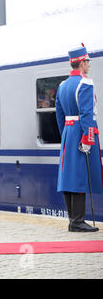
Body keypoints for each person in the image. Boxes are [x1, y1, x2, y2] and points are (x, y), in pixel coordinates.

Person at [55, 44, 101, 232]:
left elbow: (59, 114)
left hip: (68, 132)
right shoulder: (85, 83)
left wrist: (65, 134)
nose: (89, 65)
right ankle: (78, 221)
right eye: (87, 62)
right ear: (82, 63)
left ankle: (73, 220)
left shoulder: (62, 85)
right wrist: (88, 139)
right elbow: (86, 115)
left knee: (68, 177)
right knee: (80, 176)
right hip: (81, 133)